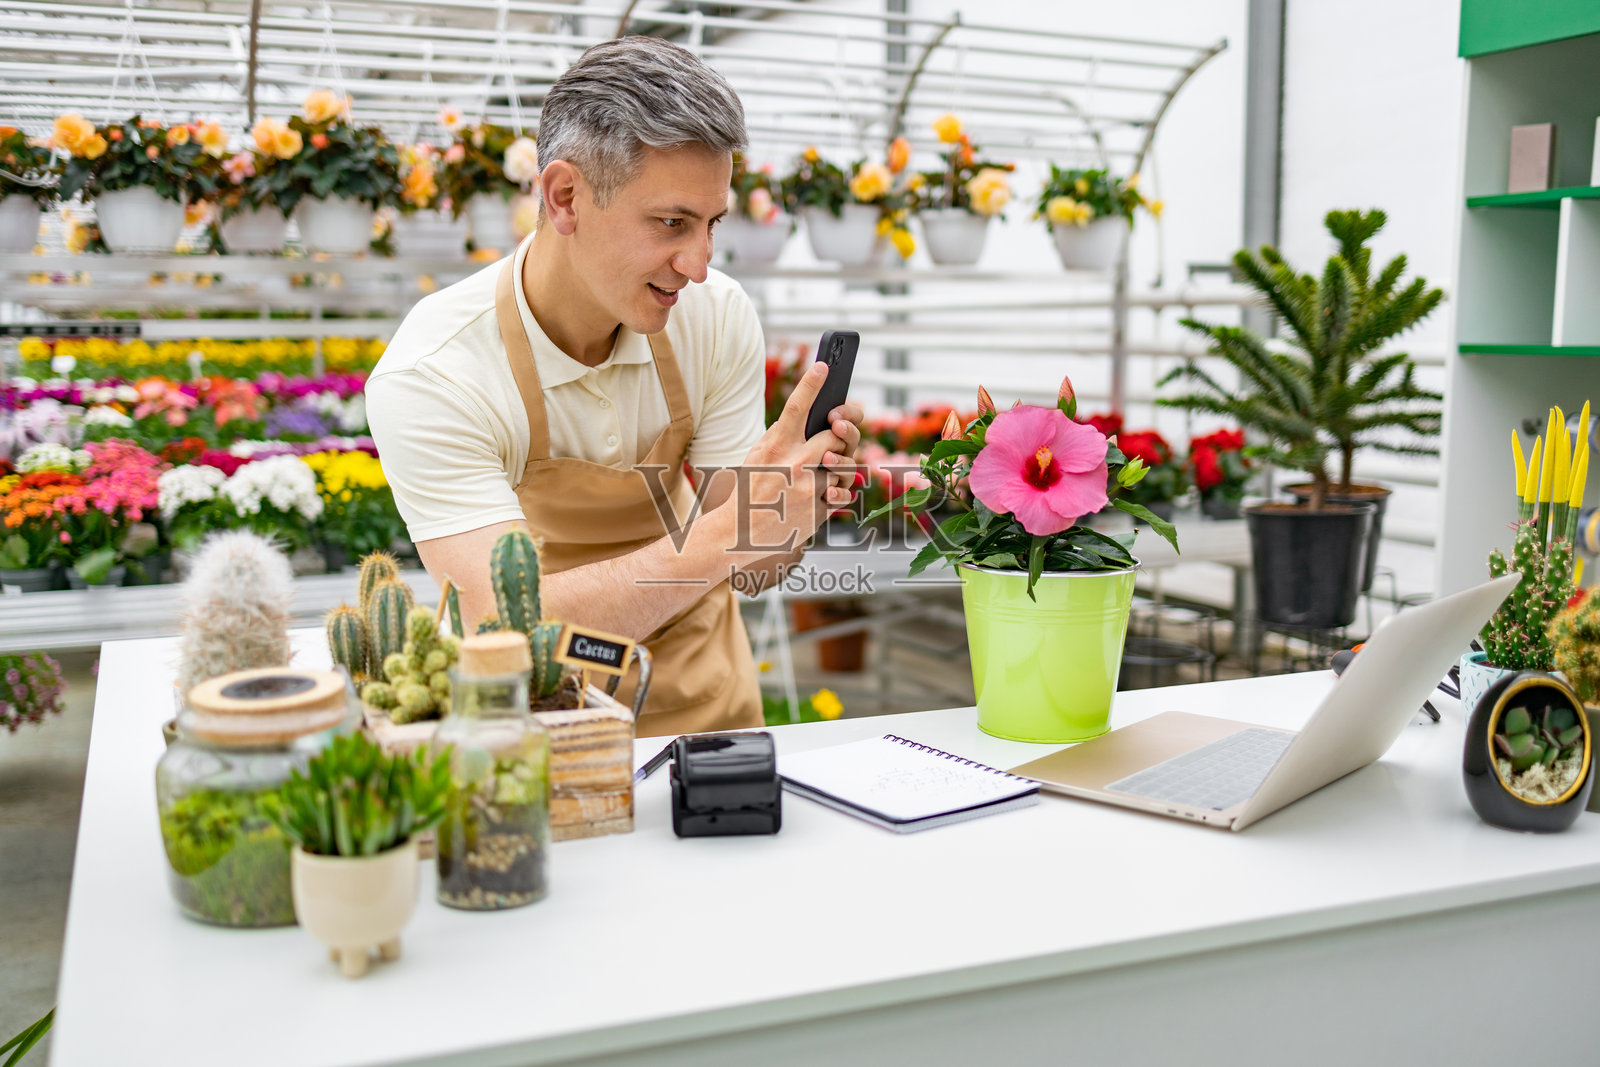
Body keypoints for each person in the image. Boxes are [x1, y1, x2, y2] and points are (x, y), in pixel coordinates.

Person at [366, 36, 864, 737]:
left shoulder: (714, 317)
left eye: (712, 223)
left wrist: (791, 500)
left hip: (712, 721)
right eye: (671, 223)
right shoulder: (438, 371)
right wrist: (730, 531)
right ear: (565, 197)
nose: (698, 263)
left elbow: (756, 568)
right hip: (542, 736)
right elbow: (499, 623)